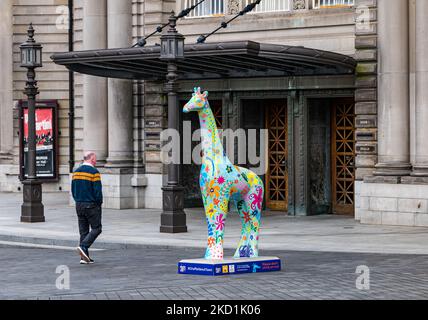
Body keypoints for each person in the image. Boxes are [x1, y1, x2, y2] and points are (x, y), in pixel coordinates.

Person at [71, 151, 103, 264]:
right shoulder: (94, 172)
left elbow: (73, 189)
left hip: (79, 204)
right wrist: (99, 203)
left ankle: (84, 258)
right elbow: (97, 191)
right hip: (91, 204)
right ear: (91, 159)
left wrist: (77, 200)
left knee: (83, 231)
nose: (96, 161)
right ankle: (83, 246)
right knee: (97, 228)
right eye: (95, 159)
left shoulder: (76, 172)